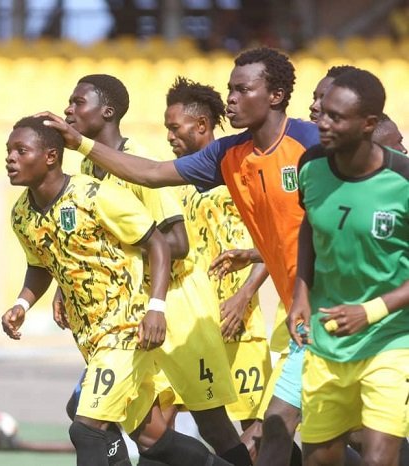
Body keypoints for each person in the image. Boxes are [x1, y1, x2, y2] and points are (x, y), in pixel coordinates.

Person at [39, 46, 320, 466]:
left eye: (243, 90)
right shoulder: (229, 154)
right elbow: (152, 173)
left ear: (275, 95)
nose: (231, 99)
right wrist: (78, 143)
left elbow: (333, 215)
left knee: (319, 435)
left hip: (330, 306)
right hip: (297, 309)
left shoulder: (311, 143)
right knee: (280, 430)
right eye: (230, 89)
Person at [1, 115, 230, 466]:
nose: (10, 158)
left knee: (86, 428)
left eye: (21, 150)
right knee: (152, 439)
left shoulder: (94, 195)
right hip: (90, 334)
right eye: (8, 151)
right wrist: (22, 303)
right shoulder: (22, 215)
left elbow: (158, 242)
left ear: (50, 156)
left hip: (126, 327)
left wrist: (155, 307)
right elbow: (40, 263)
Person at [55, 74, 251, 466]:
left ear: (106, 111)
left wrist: (118, 255)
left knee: (211, 423)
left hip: (177, 304)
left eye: (78, 102)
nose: (68, 110)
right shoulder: (89, 171)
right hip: (133, 310)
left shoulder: (138, 159)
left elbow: (176, 244)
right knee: (124, 422)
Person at [287, 68, 409, 466]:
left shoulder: (402, 180)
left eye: (335, 117)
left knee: (378, 459)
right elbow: (310, 225)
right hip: (326, 341)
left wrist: (370, 311)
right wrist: (300, 296)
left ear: (369, 124)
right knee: (319, 460)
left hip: (390, 341)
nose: (321, 122)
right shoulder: (310, 167)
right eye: (322, 113)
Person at [163, 76, 272, 452]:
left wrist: (244, 296)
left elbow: (275, 244)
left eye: (174, 128)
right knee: (163, 425)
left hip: (238, 324)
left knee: (257, 431)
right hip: (191, 322)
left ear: (201, 125)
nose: (169, 136)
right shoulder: (173, 184)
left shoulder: (242, 174)